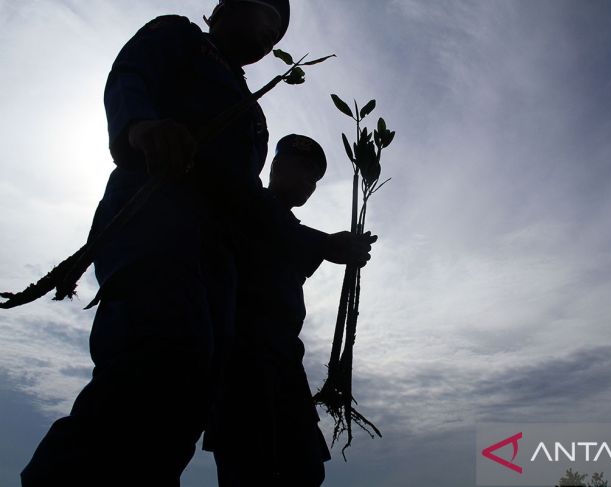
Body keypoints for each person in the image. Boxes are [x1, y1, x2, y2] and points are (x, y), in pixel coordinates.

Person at [20, 2, 375, 486]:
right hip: (159, 222)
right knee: (157, 361)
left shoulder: (252, 115)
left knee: (191, 391)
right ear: (227, 7)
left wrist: (321, 245)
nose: (273, 31)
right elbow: (131, 76)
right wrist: (141, 128)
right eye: (268, 13)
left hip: (215, 263)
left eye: (281, 27)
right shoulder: (180, 37)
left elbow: (248, 203)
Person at [204, 134, 349, 486]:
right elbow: (273, 226)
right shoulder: (247, 203)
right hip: (242, 359)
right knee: (249, 466)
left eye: (315, 179)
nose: (308, 184)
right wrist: (327, 244)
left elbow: (288, 237)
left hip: (284, 361)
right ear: (277, 167)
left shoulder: (286, 227)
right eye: (303, 170)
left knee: (306, 469)